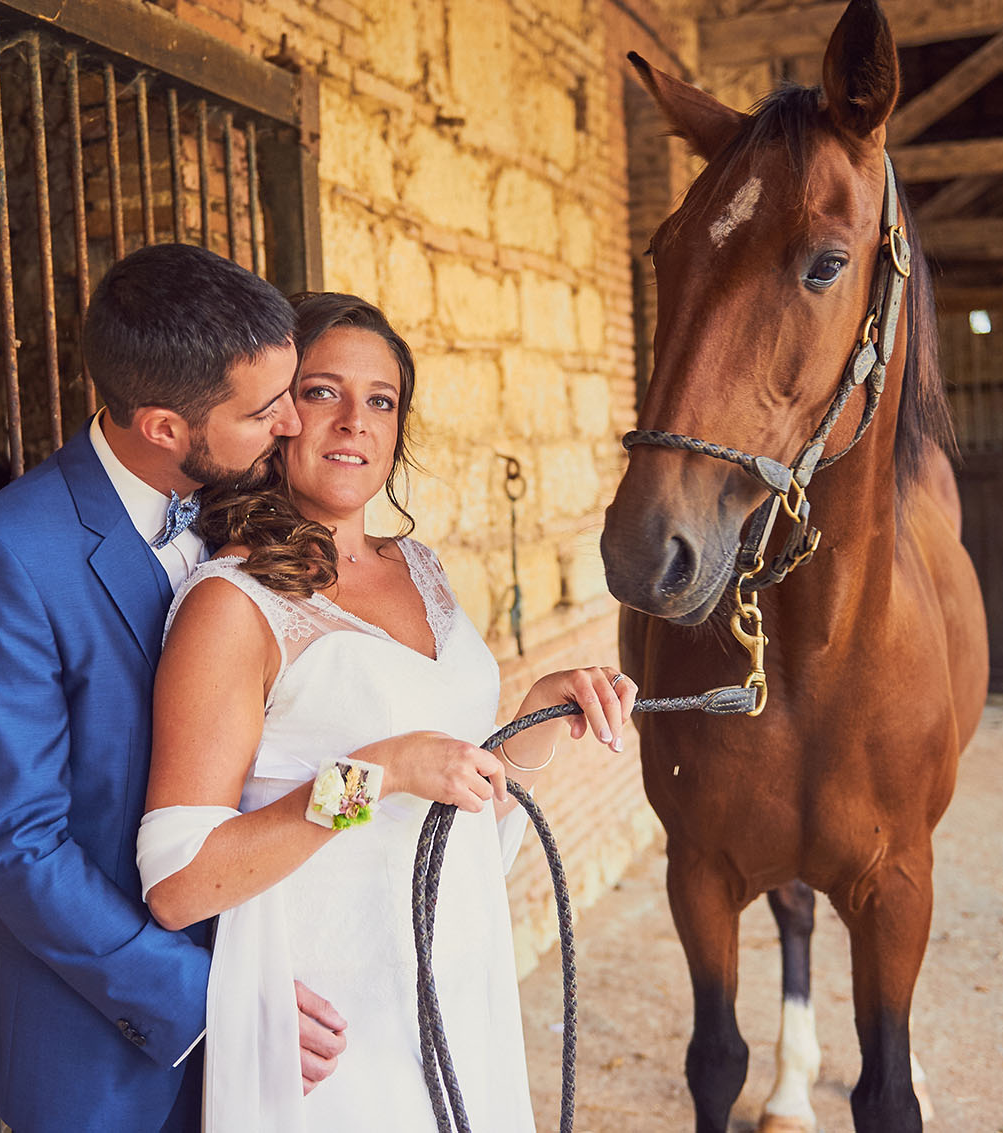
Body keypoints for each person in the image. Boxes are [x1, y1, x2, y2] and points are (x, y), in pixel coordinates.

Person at [137, 292, 637, 1132]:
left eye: (381, 400)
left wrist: (535, 718)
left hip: (459, 989)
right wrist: (373, 774)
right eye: (323, 392)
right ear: (279, 415)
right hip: (335, 1031)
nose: (354, 423)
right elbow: (181, 881)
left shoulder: (423, 568)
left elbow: (456, 814)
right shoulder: (233, 602)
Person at [0, 245, 352, 1131]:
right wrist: (213, 999)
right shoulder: (7, 560)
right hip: (111, 1045)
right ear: (164, 426)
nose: (291, 423)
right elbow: (19, 845)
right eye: (263, 408)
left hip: (296, 999)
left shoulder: (255, 508)